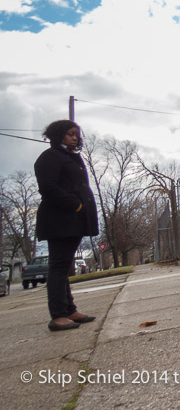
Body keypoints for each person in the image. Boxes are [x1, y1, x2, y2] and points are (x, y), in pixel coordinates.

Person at [33, 120, 99, 332]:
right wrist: (77, 206)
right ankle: (58, 315)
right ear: (59, 134)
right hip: (59, 219)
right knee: (58, 266)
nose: (75, 138)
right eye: (70, 134)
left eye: (77, 135)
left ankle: (69, 310)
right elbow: (48, 188)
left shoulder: (70, 156)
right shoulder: (49, 157)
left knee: (64, 265)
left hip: (72, 220)